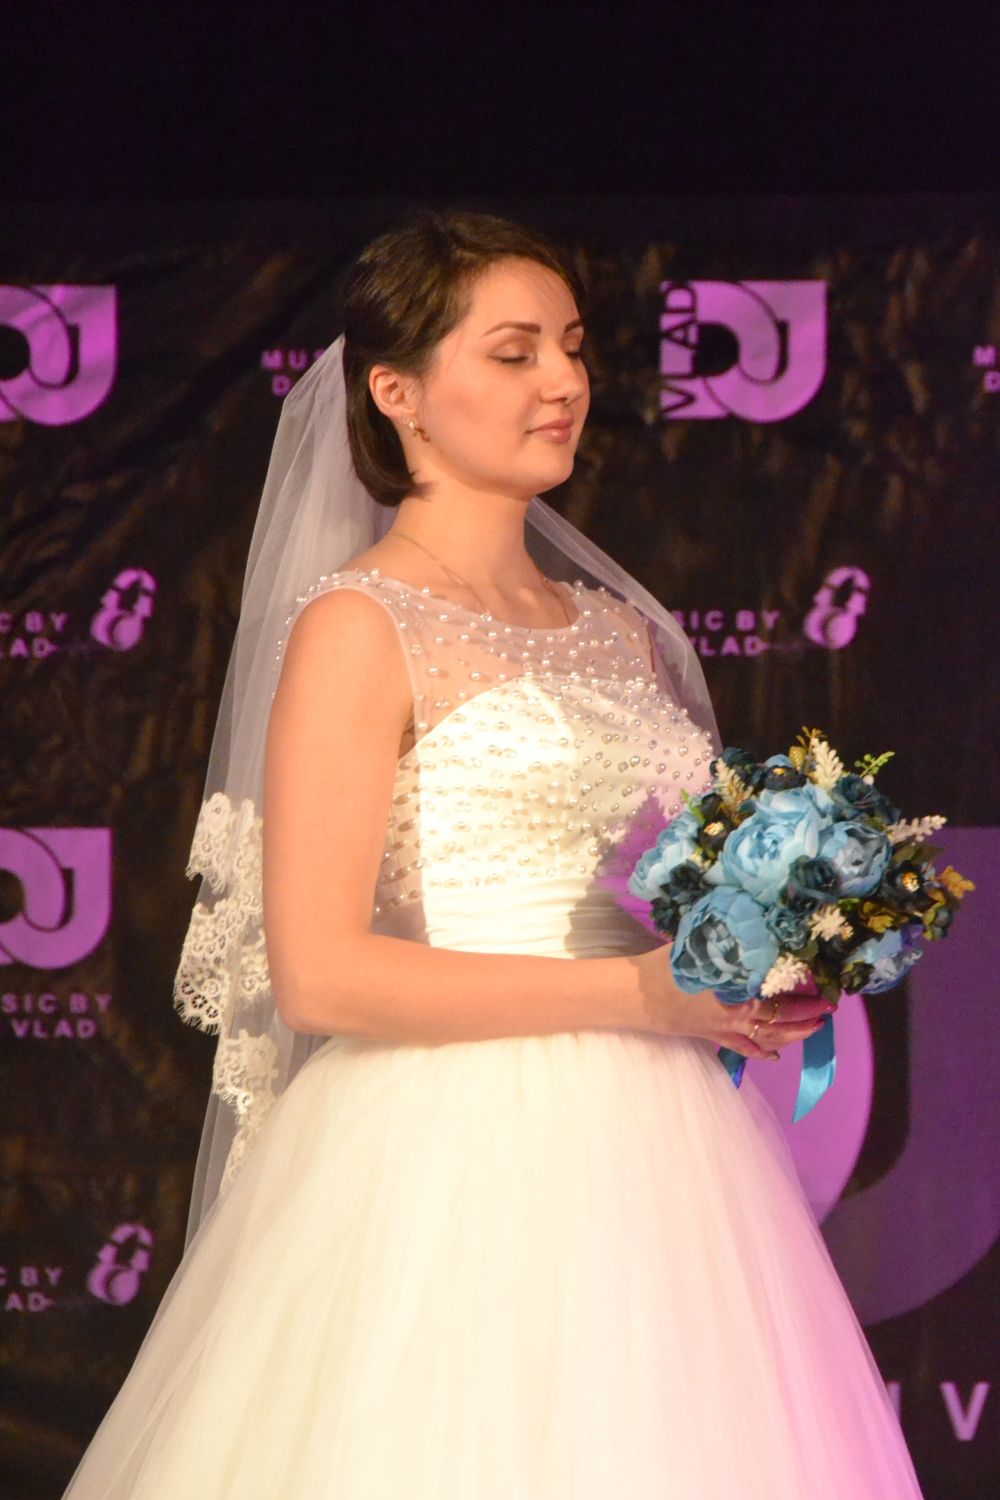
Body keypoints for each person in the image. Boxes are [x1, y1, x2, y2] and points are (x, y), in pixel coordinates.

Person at [60, 208, 925, 1498]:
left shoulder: (620, 632)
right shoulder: (360, 627)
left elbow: (655, 902)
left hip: (660, 1147)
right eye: (514, 353)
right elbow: (323, 976)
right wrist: (638, 994)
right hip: (447, 1149)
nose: (563, 381)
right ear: (398, 392)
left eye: (571, 346)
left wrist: (760, 957)